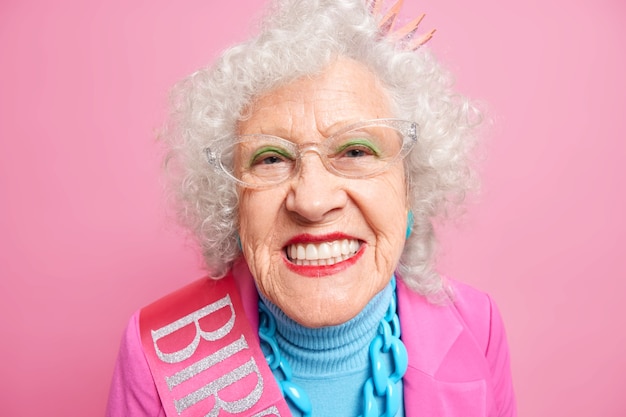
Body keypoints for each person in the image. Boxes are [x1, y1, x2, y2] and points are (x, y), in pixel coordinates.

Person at [106, 0, 516, 416]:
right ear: (232, 203)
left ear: (412, 184)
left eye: (356, 150)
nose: (312, 201)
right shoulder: (154, 350)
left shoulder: (476, 325)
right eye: (270, 158)